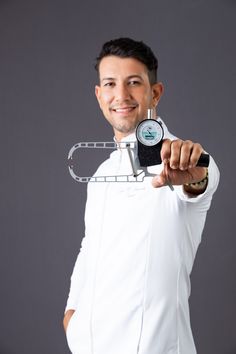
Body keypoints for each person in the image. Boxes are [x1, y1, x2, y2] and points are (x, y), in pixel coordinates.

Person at [63, 38, 219, 354]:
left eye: (134, 83)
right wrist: (72, 314)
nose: (121, 95)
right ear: (99, 95)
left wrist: (195, 174)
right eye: (110, 84)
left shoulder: (181, 159)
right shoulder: (101, 174)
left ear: (155, 93)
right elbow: (89, 246)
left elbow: (201, 181)